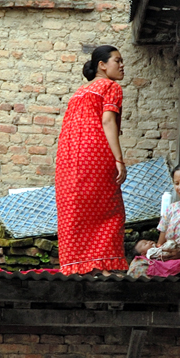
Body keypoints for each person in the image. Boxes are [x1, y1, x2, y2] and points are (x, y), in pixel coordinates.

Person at [55, 45, 129, 275]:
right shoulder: (110, 86)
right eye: (117, 60)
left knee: (76, 213)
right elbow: (108, 122)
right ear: (102, 65)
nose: (122, 65)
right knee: (110, 211)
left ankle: (78, 267)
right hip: (96, 155)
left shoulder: (79, 93)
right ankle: (104, 266)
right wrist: (119, 159)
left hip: (68, 160)